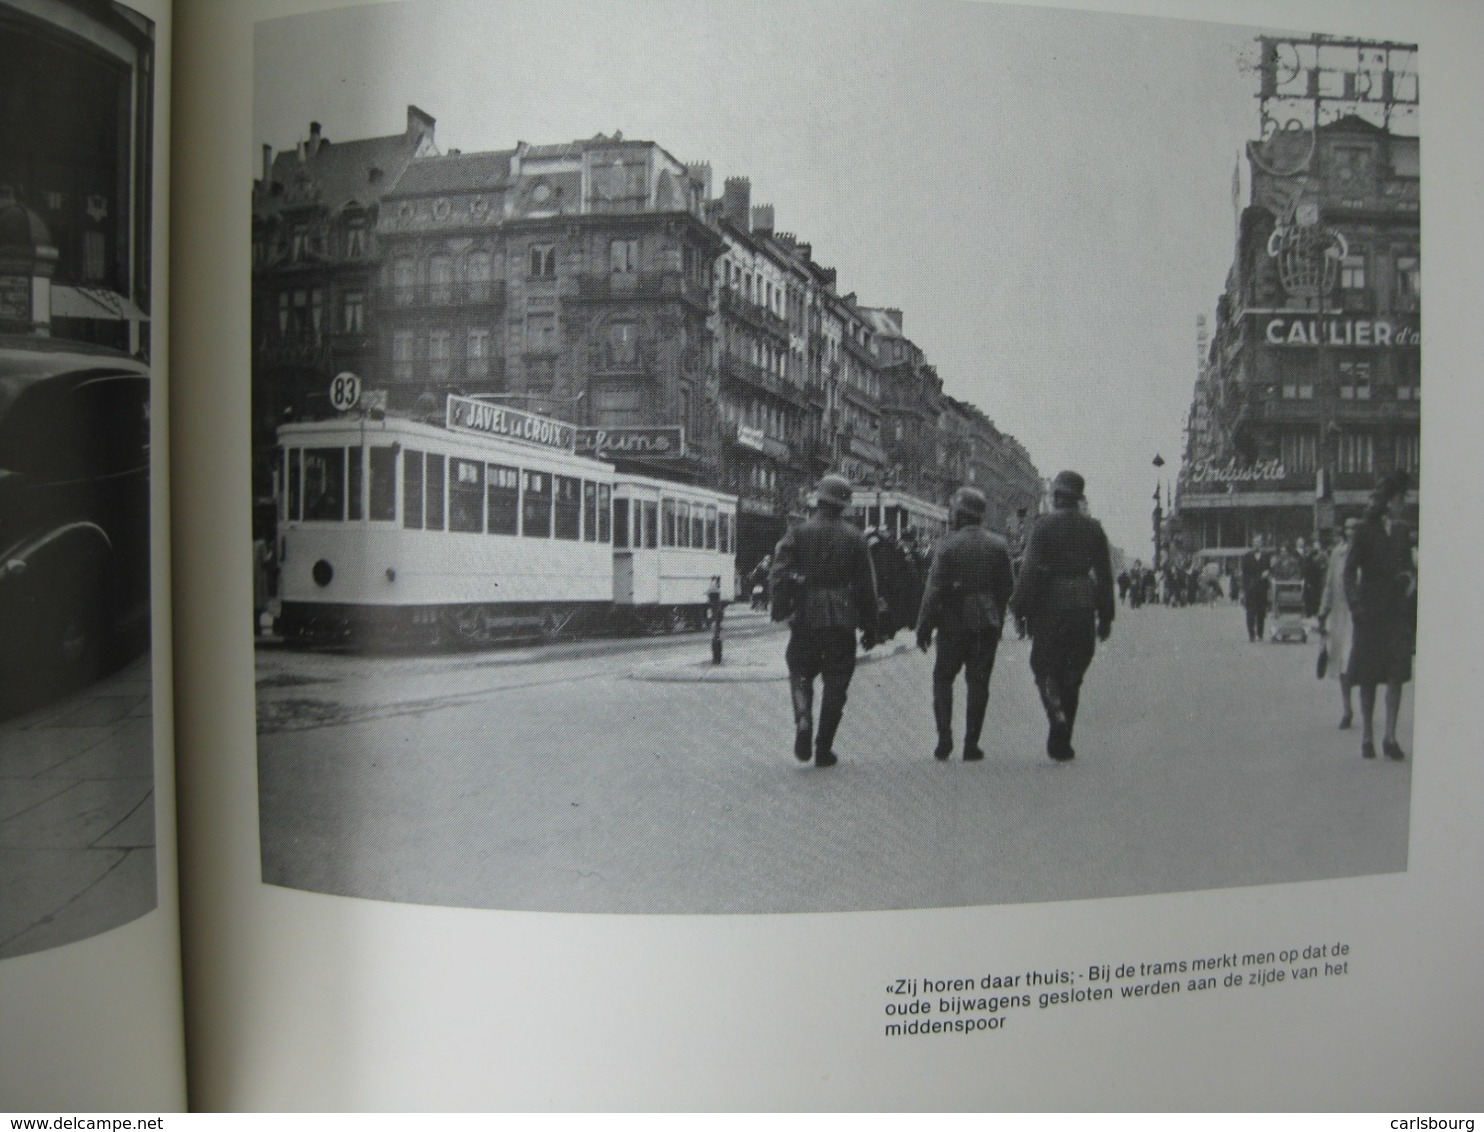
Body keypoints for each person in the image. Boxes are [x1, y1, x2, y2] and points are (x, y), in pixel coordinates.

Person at [769, 474, 879, 768]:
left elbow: (778, 575)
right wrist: (870, 626)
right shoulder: (856, 538)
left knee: (800, 671)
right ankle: (823, 748)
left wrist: (781, 609)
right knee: (837, 683)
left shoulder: (797, 533)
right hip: (842, 618)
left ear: (818, 499)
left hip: (805, 615)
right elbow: (868, 587)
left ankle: (803, 720)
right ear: (844, 504)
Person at [1008, 470, 1114, 761]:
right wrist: (1106, 617)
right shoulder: (1094, 529)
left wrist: (1018, 607)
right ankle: (1062, 742)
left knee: (1043, 666)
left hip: (1051, 604)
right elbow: (1105, 577)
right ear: (1078, 499)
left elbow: (1029, 571)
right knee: (1074, 673)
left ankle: (1055, 712)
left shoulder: (1043, 527)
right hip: (1083, 603)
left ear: (1056, 497)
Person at [915, 487, 1015, 761]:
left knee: (943, 678)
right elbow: (1008, 587)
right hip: (986, 623)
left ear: (959, 514)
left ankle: (944, 739)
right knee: (979, 682)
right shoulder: (999, 545)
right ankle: (971, 744)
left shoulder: (947, 545)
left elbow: (933, 591)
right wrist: (996, 613)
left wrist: (924, 626)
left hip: (952, 621)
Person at [1343, 471, 1417, 760]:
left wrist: (1410, 580)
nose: (1404, 504)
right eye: (1402, 499)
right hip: (1369, 613)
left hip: (1396, 612)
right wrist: (1356, 606)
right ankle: (1367, 737)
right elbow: (1348, 572)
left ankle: (1390, 737)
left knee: (1396, 674)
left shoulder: (1402, 532)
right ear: (1390, 502)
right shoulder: (1363, 530)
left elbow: (1409, 567)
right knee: (1368, 676)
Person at [1317, 517, 1359, 729]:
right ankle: (1347, 709)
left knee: (1356, 663)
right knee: (1343, 664)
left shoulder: (1366, 555)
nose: (1351, 531)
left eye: (1355, 527)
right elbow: (1329, 586)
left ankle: (1361, 707)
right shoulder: (1337, 553)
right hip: (1341, 616)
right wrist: (1322, 612)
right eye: (1348, 527)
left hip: (1360, 616)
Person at [1240, 533, 1272, 641]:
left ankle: (1260, 633)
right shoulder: (1247, 556)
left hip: (1262, 588)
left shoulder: (1266, 556)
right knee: (1250, 612)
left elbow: (1269, 569)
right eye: (1255, 542)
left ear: (1262, 544)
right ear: (1252, 544)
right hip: (1251, 588)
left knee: (1261, 612)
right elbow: (1245, 574)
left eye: (1259, 542)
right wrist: (1244, 589)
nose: (1257, 544)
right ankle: (1251, 634)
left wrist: (1267, 573)